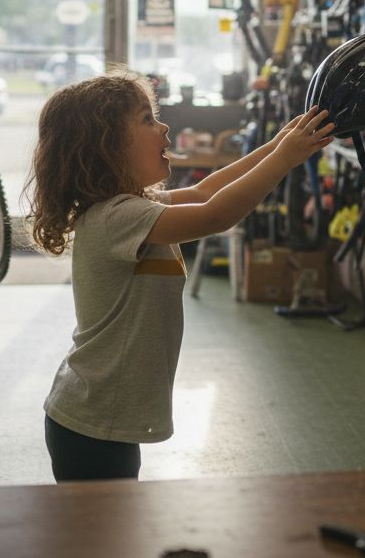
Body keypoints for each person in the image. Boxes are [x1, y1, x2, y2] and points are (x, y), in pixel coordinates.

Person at [26, 74, 334, 481]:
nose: (164, 126)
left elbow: (207, 191)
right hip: (92, 421)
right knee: (100, 538)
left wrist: (278, 144)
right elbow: (215, 215)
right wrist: (284, 159)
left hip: (103, 416)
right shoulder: (115, 217)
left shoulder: (132, 205)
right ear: (107, 146)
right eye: (147, 120)